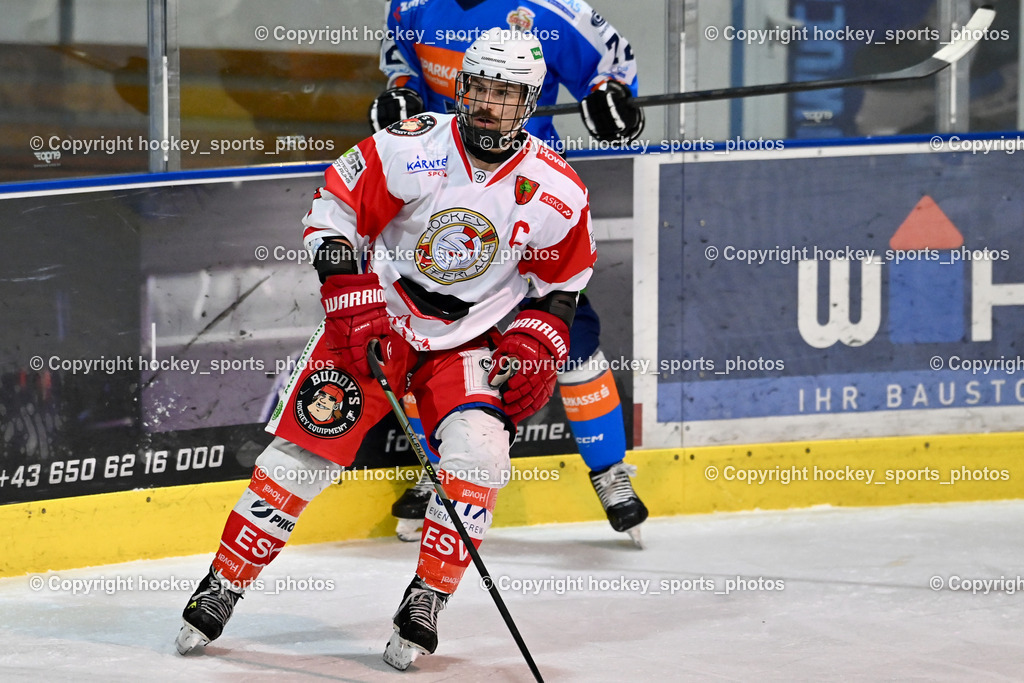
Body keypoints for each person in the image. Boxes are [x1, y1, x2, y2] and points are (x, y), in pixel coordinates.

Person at [176, 29, 595, 670]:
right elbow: (333, 209)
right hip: (377, 323)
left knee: (480, 456)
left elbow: (559, 285)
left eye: (505, 96)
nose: (489, 106)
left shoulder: (556, 189)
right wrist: (349, 292)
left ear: (529, 102)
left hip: (469, 341)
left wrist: (539, 340)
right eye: (479, 89)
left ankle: (426, 597)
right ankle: (224, 582)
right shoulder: (412, 146)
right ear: (462, 86)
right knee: (299, 458)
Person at [369, 0, 648, 545]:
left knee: (568, 335)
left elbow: (608, 64)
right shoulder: (411, 4)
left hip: (526, 200)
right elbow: (400, 61)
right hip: (444, 201)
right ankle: (444, 473)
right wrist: (400, 88)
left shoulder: (551, 10)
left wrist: (606, 94)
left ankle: (609, 470)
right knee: (433, 336)